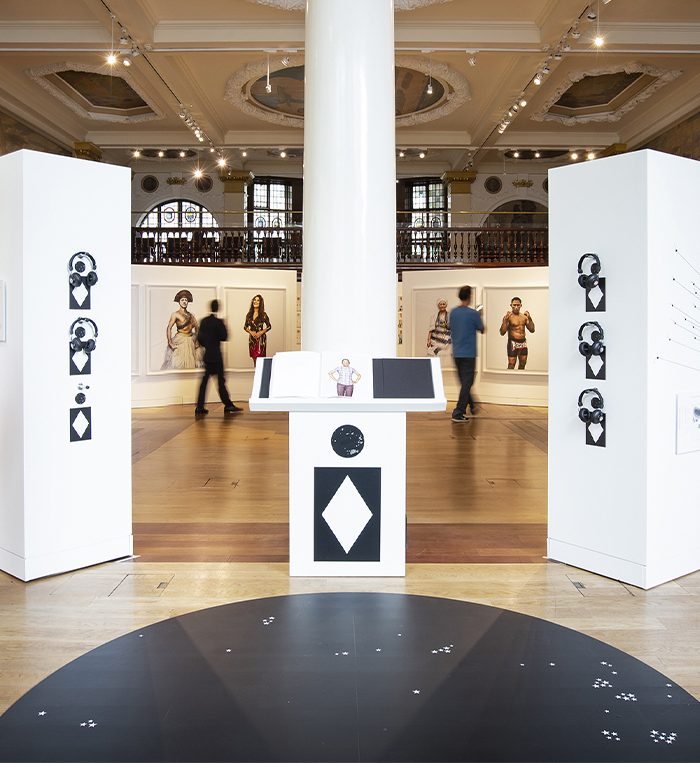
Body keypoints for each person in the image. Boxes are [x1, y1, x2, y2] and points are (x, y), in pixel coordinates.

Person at [195, 299, 242, 416]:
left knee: (204, 383)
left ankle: (200, 407)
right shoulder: (218, 322)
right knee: (221, 382)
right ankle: (228, 405)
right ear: (217, 308)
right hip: (216, 357)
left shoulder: (204, 321)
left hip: (207, 356)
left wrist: (207, 345)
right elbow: (225, 337)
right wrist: (224, 325)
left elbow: (200, 339)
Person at [449, 285, 484, 422]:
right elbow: (482, 329)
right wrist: (480, 315)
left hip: (456, 352)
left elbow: (451, 327)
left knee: (465, 383)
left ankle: (473, 405)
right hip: (469, 353)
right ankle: (458, 412)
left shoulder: (453, 313)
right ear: (469, 296)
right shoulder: (473, 314)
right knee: (467, 383)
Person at [161, 289, 204, 370]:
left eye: (186, 300)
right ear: (179, 302)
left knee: (191, 365)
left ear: (188, 302)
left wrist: (196, 341)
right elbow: (169, 328)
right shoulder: (175, 314)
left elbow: (197, 327)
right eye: (182, 300)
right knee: (178, 364)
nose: (184, 302)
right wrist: (170, 342)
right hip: (180, 341)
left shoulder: (191, 315)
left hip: (190, 341)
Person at [499, 296, 535, 370]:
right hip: (513, 342)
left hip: (523, 342)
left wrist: (530, 318)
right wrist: (505, 321)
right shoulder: (508, 317)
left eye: (518, 305)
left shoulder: (524, 317)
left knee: (523, 363)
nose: (516, 307)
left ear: (521, 305)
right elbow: (502, 332)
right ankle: (509, 377)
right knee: (511, 364)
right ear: (511, 305)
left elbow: (532, 330)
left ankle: (520, 377)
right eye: (514, 305)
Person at [243, 294, 271, 365]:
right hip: (252, 339)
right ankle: (256, 370)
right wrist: (250, 332)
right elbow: (245, 327)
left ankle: (259, 371)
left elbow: (269, 326)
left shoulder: (263, 314)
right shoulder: (249, 315)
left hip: (261, 339)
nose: (255, 301)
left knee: (260, 358)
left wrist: (261, 332)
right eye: (254, 300)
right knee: (254, 358)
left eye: (258, 300)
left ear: (260, 303)